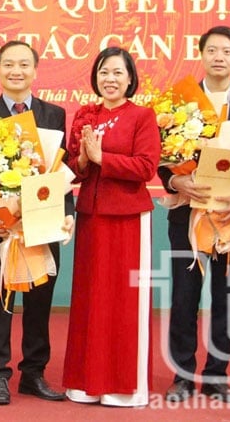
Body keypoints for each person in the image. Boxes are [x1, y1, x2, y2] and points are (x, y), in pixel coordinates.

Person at [160, 26, 230, 404]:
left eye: (227, 51)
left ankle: (218, 374)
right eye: (212, 50)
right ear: (201, 54)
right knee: (184, 296)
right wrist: (175, 182)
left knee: (227, 296)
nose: (219, 57)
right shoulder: (178, 102)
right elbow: (161, 156)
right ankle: (182, 376)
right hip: (188, 215)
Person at [0, 41, 73, 405]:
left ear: (35, 70)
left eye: (24, 64)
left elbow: (63, 170)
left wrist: (67, 215)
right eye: (9, 64)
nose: (17, 71)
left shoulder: (54, 114)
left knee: (39, 301)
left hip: (42, 225)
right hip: (0, 229)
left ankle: (34, 373)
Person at [63, 46, 160, 407]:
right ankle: (87, 381)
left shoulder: (142, 116)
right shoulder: (86, 115)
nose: (110, 79)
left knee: (121, 302)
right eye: (104, 72)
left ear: (131, 78)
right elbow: (76, 169)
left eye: (118, 72)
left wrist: (107, 159)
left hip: (127, 221)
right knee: (91, 300)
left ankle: (123, 385)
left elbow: (147, 167)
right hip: (91, 217)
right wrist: (85, 161)